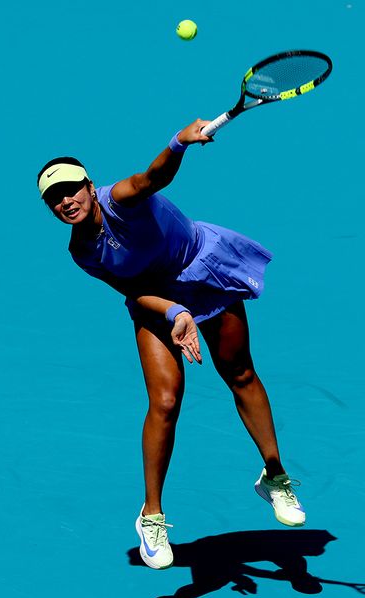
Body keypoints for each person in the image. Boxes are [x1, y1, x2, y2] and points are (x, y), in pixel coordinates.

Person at [36, 119, 305, 570]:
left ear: (89, 186)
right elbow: (133, 291)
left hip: (202, 268)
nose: (65, 201)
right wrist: (175, 313)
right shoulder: (81, 251)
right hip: (158, 300)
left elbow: (151, 178)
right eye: (54, 198)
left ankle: (275, 476)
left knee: (239, 372)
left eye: (71, 190)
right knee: (164, 401)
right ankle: (152, 516)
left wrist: (178, 143)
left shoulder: (120, 199)